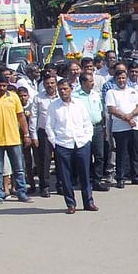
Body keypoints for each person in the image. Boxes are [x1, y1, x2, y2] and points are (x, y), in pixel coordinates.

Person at [0, 72, 34, 207]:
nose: (2, 88)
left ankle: (21, 193)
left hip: (13, 139)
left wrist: (26, 134)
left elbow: (21, 117)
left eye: (4, 86)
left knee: (19, 169)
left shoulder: (13, 97)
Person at [46, 79, 96, 214]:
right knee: (65, 176)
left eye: (65, 89)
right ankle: (70, 204)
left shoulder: (79, 104)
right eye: (60, 89)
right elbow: (49, 127)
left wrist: (87, 139)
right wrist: (55, 143)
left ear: (71, 89)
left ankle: (88, 202)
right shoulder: (53, 106)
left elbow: (87, 123)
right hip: (63, 144)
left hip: (81, 143)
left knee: (85, 174)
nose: (63, 91)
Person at [105, 67, 138, 188]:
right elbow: (112, 109)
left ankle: (135, 176)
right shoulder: (111, 92)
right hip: (120, 128)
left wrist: (131, 116)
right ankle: (120, 178)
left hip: (134, 127)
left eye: (123, 78)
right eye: (119, 78)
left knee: (134, 152)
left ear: (126, 78)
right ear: (115, 79)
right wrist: (127, 119)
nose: (121, 80)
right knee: (121, 153)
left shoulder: (132, 91)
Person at [31, 75, 59, 197]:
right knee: (44, 161)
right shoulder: (38, 98)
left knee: (61, 160)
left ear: (56, 83)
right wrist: (33, 135)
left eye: (52, 83)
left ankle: (61, 185)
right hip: (44, 132)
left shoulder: (61, 97)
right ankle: (44, 186)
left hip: (60, 132)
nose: (50, 85)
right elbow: (33, 117)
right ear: (44, 84)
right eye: (47, 83)